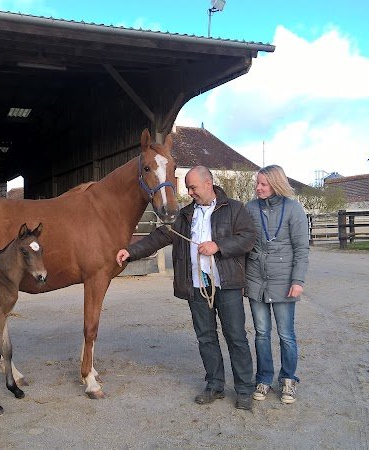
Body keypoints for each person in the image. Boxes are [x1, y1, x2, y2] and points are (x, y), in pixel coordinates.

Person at [116, 166, 256, 410]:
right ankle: (214, 385)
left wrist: (218, 246)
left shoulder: (234, 209)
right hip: (197, 286)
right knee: (206, 338)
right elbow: (159, 237)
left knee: (236, 337)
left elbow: (248, 238)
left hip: (227, 284)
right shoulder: (185, 215)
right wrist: (131, 251)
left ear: (208, 183)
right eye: (188, 188)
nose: (189, 192)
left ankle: (244, 389)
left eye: (193, 187)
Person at [243, 165, 309, 404]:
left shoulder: (294, 209)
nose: (258, 188)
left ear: (276, 184)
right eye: (257, 183)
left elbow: (302, 249)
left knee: (286, 335)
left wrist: (298, 281)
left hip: (284, 282)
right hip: (256, 280)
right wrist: (244, 280)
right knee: (261, 334)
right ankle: (263, 379)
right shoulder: (249, 208)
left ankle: (289, 379)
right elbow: (243, 244)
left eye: (263, 184)